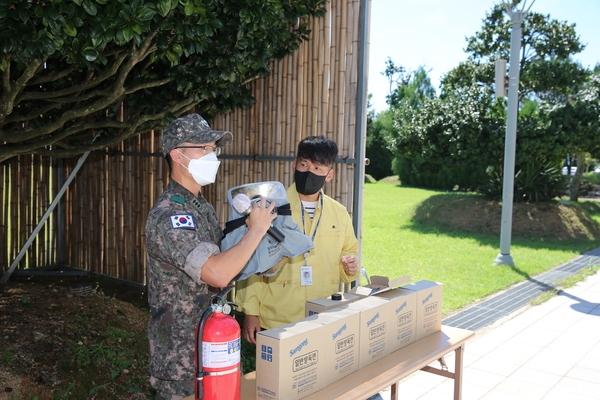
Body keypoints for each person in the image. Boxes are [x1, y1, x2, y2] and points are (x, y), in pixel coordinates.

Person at [144, 113, 277, 400]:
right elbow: (216, 273)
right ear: (177, 156)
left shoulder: (198, 207)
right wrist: (255, 231)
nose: (212, 155)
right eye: (202, 148)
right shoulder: (170, 216)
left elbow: (226, 264)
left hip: (213, 347)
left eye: (213, 148)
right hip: (183, 364)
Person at [235, 135, 359, 344]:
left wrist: (350, 267)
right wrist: (251, 312)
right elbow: (251, 260)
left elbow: (349, 250)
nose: (309, 172)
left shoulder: (339, 213)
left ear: (329, 175)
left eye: (318, 168)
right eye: (304, 164)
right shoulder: (268, 208)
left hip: (323, 314)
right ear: (294, 165)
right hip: (277, 318)